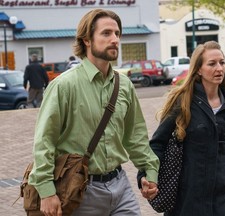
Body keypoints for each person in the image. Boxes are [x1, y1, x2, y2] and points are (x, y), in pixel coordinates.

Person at [28, 9, 159, 216]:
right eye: (106, 33)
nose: (115, 39)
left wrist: (149, 171)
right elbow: (44, 141)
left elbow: (136, 136)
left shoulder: (124, 85)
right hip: (79, 190)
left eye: (117, 33)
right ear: (87, 40)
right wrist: (46, 191)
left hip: (120, 186)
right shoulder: (64, 86)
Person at [149, 41, 225, 216]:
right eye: (212, 63)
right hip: (188, 198)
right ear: (198, 69)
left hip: (224, 199)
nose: (219, 68)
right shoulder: (183, 101)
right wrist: (147, 177)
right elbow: (158, 144)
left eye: (222, 62)